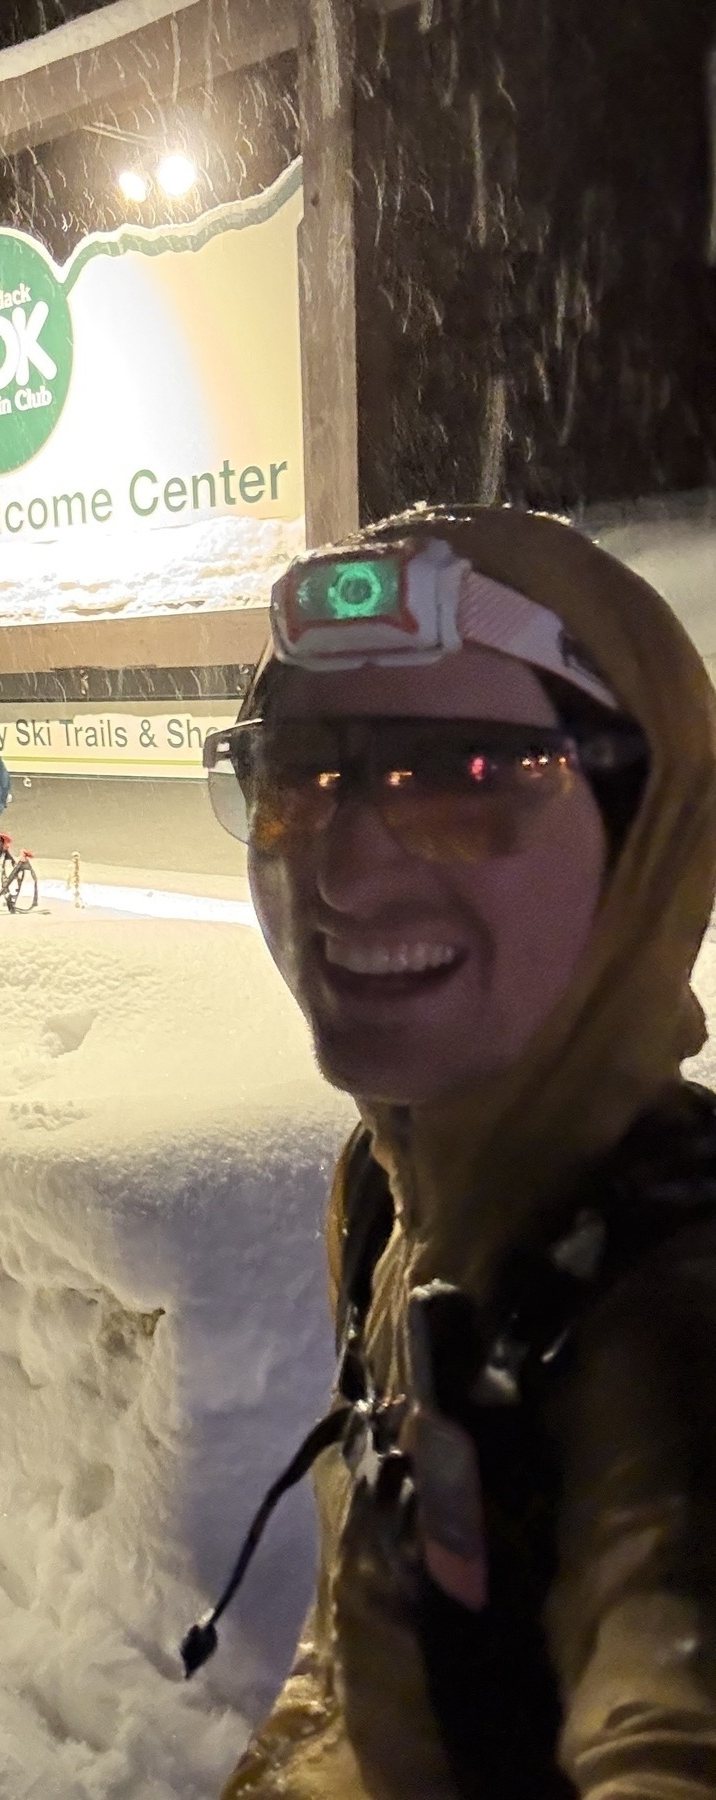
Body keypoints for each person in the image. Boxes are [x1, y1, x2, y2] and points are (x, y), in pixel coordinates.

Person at [198, 507, 716, 1798]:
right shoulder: (388, 1185)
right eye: (294, 774)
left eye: (462, 779)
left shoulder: (669, 1307)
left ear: (644, 835)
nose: (344, 871)